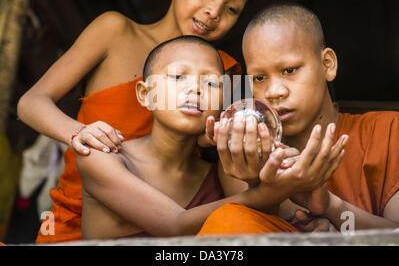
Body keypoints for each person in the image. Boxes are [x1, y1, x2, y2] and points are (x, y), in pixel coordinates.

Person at [17, 0, 252, 243]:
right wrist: (82, 134)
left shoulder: (222, 73)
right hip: (81, 212)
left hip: (165, 216)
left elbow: (211, 142)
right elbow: (31, 102)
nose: (214, 11)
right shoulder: (116, 32)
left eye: (231, 9)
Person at [76, 35, 346, 239]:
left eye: (211, 83)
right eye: (179, 76)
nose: (195, 89)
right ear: (146, 94)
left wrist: (308, 221)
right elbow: (175, 225)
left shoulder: (223, 169)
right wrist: (271, 191)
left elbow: (261, 226)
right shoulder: (102, 157)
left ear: (224, 100)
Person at [197, 3, 399, 236]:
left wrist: (332, 207)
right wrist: (259, 185)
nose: (274, 91)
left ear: (327, 65)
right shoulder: (246, 154)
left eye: (290, 70)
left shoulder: (388, 131)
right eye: (259, 77)